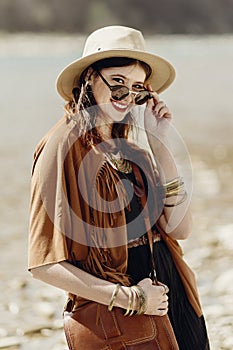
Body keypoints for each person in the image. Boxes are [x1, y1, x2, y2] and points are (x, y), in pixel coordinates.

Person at [28, 26, 210, 349]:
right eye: (117, 84)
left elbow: (180, 228)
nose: (126, 98)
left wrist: (161, 139)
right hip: (121, 316)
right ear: (89, 79)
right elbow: (45, 264)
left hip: (174, 298)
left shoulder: (134, 150)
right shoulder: (60, 147)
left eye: (136, 88)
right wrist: (132, 298)